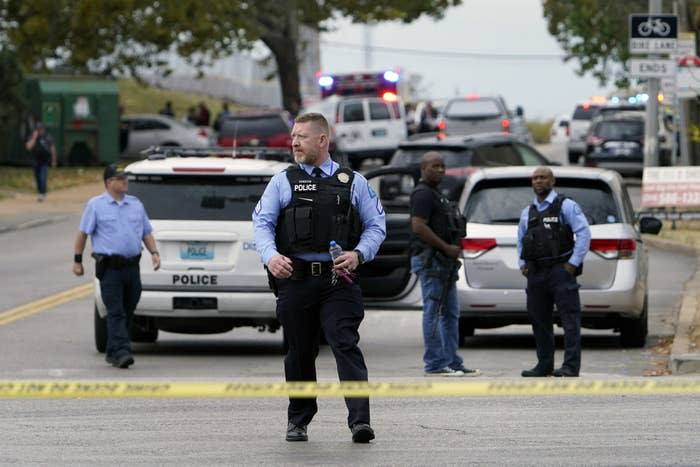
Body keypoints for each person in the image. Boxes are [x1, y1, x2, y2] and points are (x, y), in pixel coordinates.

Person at [252, 112, 386, 444]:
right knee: (298, 353)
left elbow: (376, 227)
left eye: (302, 136)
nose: (294, 142)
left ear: (322, 140)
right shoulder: (282, 181)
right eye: (293, 136)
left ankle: (359, 421)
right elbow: (262, 225)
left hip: (338, 280)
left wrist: (358, 254)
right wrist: (271, 257)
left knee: (344, 343)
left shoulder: (353, 182)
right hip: (296, 281)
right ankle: (299, 419)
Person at [72, 164, 161, 369]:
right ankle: (122, 352)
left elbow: (146, 232)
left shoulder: (136, 205)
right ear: (109, 182)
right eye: (120, 178)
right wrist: (77, 261)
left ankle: (112, 351)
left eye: (125, 178)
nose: (125, 181)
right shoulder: (96, 205)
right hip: (110, 268)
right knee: (116, 311)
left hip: (132, 267)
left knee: (129, 308)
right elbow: (83, 233)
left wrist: (154, 253)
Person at [409, 151, 480, 377]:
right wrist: (445, 247)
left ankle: (453, 362)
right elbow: (418, 226)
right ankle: (435, 364)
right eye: (435, 166)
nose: (440, 170)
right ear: (423, 168)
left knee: (451, 314)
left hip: (444, 264)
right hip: (431, 261)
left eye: (442, 166)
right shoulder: (422, 194)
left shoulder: (436, 193)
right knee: (434, 312)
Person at [517, 167, 591, 378]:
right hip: (536, 272)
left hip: (561, 270)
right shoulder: (528, 211)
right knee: (539, 319)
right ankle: (544, 364)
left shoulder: (566, 206)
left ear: (552, 181)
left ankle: (570, 366)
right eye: (535, 178)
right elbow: (521, 239)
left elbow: (584, 233)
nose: (538, 181)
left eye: (543, 178)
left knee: (570, 319)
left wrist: (573, 263)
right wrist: (522, 263)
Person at [25, 122, 57, 202]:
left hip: (45, 161)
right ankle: (40, 192)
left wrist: (53, 160)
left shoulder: (47, 138)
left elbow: (52, 149)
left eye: (41, 129)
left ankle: (42, 193)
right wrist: (34, 138)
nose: (40, 131)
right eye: (38, 129)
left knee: (43, 177)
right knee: (38, 178)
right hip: (35, 161)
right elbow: (28, 147)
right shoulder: (32, 137)